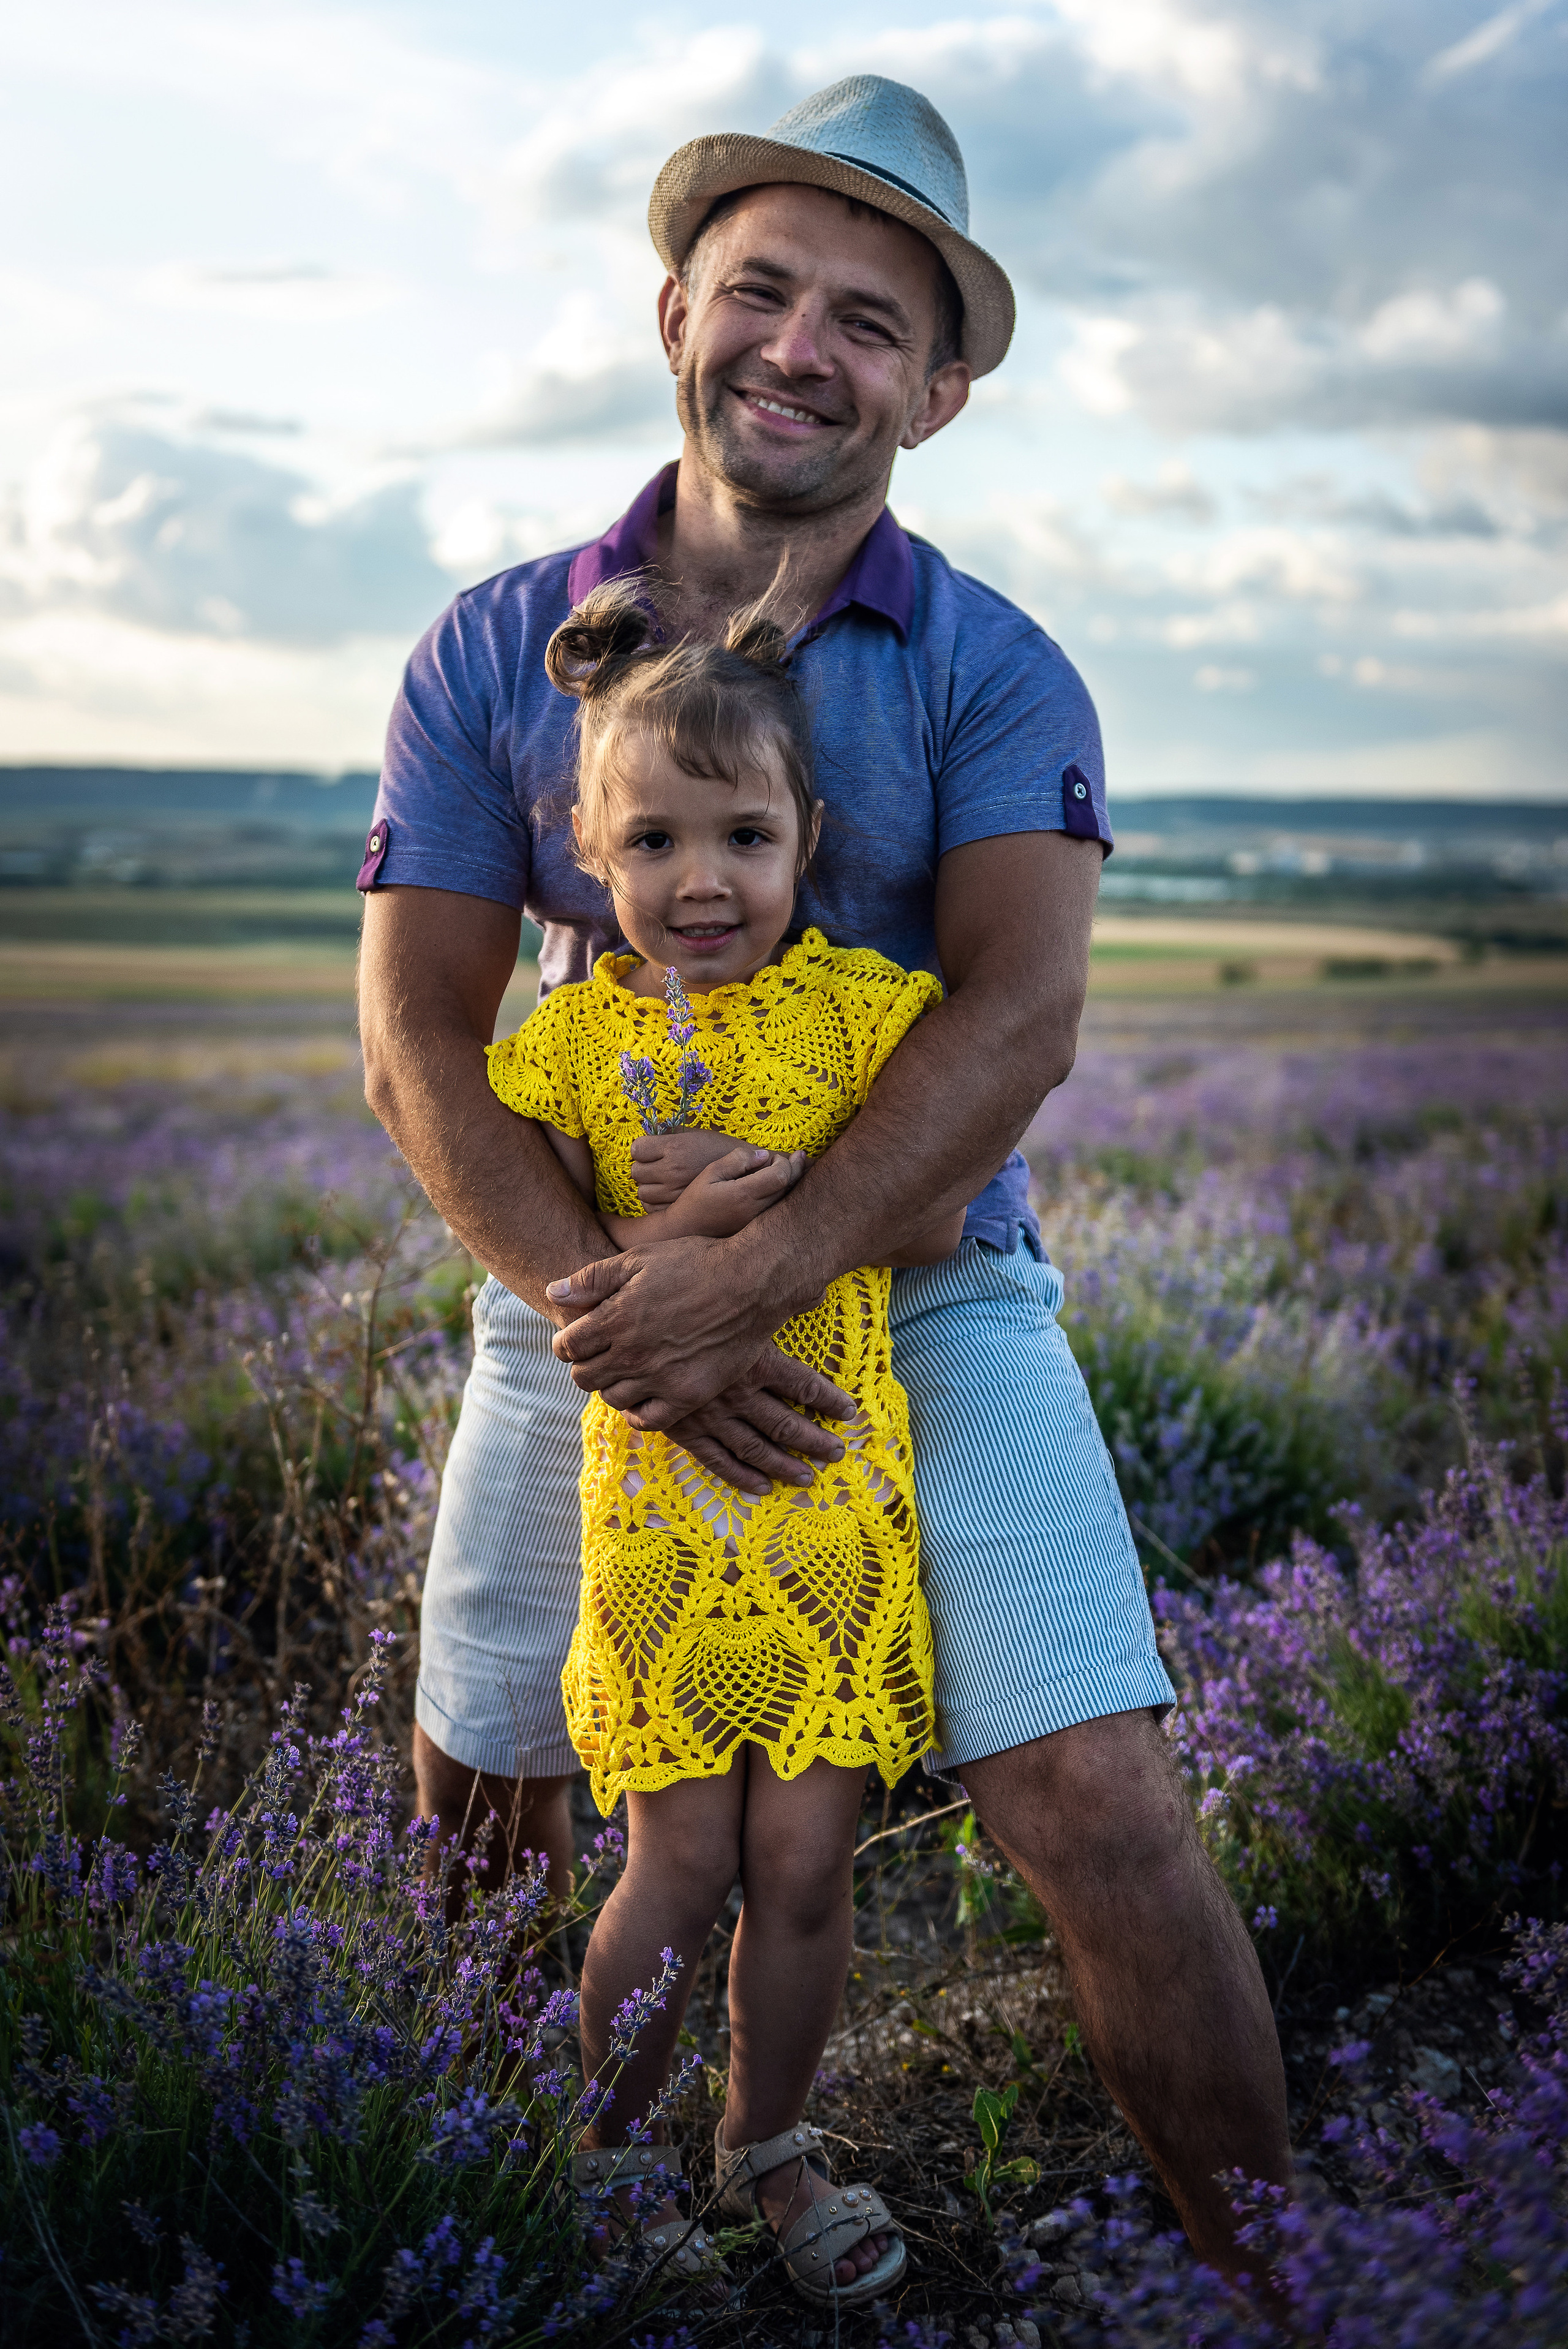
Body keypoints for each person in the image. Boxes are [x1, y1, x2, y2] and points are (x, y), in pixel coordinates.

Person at [358, 74, 1292, 2279]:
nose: (800, 344)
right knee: (483, 1794)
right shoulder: (493, 650)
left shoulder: (993, 666)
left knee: (1095, 1799)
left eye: (870, 320)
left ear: (940, 391)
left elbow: (1012, 1025)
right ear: (675, 306)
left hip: (929, 1282)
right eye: (761, 286)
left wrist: (756, 1274)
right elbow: (416, 1039)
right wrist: (628, 1310)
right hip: (578, 1285)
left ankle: (1306, 2285)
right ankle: (504, 2230)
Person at [487, 575, 965, 2299]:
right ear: (590, 852)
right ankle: (593, 2147)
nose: (706, 879)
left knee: (807, 1860)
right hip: (666, 1508)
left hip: (830, 1495)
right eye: (659, 840)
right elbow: (535, 1234)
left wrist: (772, 1196)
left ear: (807, 835)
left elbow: (944, 1204)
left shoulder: (861, 1014)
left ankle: (766, 2141)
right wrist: (654, 1241)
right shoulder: (569, 1043)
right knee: (677, 1860)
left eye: (746, 835)